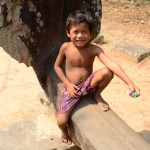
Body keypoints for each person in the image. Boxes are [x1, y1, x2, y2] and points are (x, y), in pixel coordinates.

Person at [54, 10, 140, 145]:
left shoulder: (94, 49)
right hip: (72, 89)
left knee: (107, 72)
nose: (80, 36)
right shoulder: (65, 47)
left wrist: (129, 83)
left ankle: (97, 95)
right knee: (61, 121)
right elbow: (57, 67)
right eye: (76, 31)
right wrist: (68, 84)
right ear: (68, 33)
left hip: (89, 84)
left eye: (84, 32)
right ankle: (64, 132)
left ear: (91, 33)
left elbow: (111, 64)